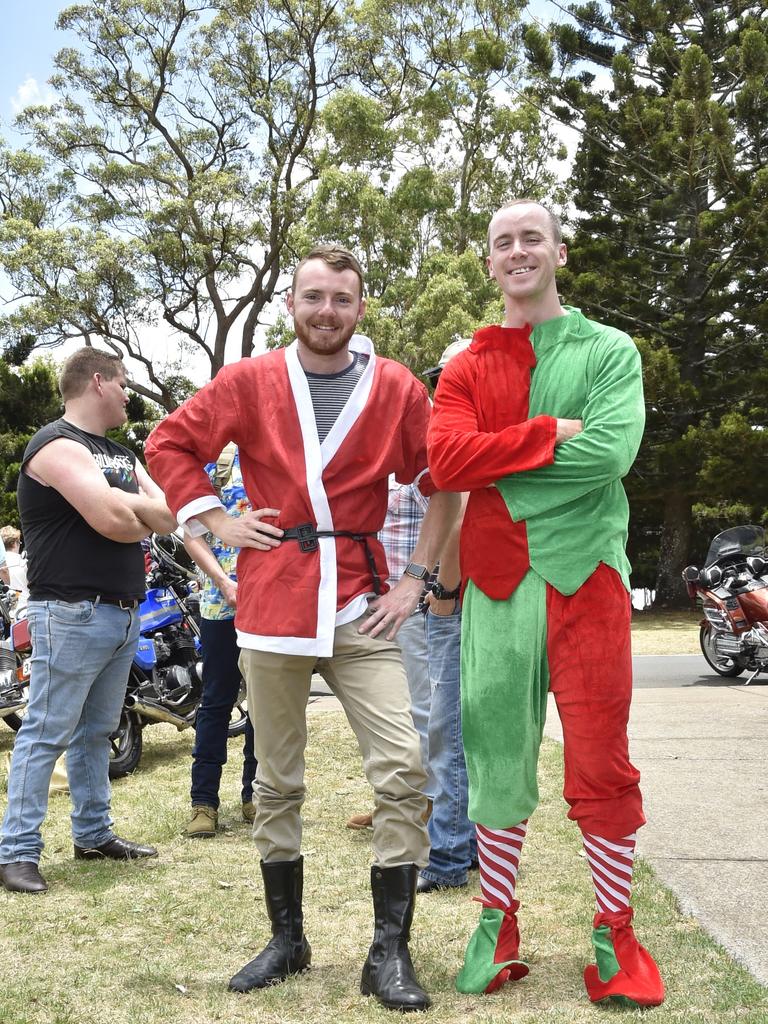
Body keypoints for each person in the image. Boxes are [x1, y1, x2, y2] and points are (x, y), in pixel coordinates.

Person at [145, 244, 459, 1011]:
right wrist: (215, 517)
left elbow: (446, 481)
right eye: (313, 297)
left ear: (360, 308)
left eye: (342, 299)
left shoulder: (393, 386)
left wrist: (418, 577)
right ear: (292, 303)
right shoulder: (250, 381)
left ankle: (389, 949)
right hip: (274, 602)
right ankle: (288, 938)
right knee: (276, 781)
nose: (327, 311)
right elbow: (170, 442)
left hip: (361, 601)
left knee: (404, 768)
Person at [427, 200, 665, 1006]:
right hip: (495, 584)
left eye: (532, 237)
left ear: (559, 251)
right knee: (494, 751)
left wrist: (501, 468)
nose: (518, 251)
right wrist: (543, 435)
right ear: (488, 262)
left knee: (601, 754)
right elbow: (445, 462)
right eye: (503, 243)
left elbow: (609, 453)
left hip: (585, 578)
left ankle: (615, 932)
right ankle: (498, 921)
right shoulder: (463, 365)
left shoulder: (609, 350)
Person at [0, 348, 176, 895]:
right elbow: (112, 521)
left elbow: (167, 515)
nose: (129, 394)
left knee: (97, 732)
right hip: (70, 612)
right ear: (97, 382)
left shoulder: (119, 452)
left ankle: (94, 833)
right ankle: (16, 852)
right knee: (46, 731)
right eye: (123, 383)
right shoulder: (55, 445)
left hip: (123, 613)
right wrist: (131, 508)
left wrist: (131, 508)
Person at [416, 339, 476, 894]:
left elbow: (458, 508)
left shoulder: (460, 437)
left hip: (458, 599)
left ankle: (450, 855)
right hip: (478, 597)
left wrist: (445, 591)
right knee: (466, 729)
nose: (440, 389)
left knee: (448, 729)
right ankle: (469, 845)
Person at [183, 444, 258, 837]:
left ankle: (256, 795)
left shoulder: (283, 453)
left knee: (267, 702)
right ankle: (203, 803)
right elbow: (191, 533)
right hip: (220, 606)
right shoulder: (217, 463)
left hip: (271, 604)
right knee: (216, 700)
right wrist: (223, 582)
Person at [0, 526, 29, 611]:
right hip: (25, 608)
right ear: (14, 543)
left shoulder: (2, 563)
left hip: (6, 610)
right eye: (19, 543)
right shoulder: (23, 561)